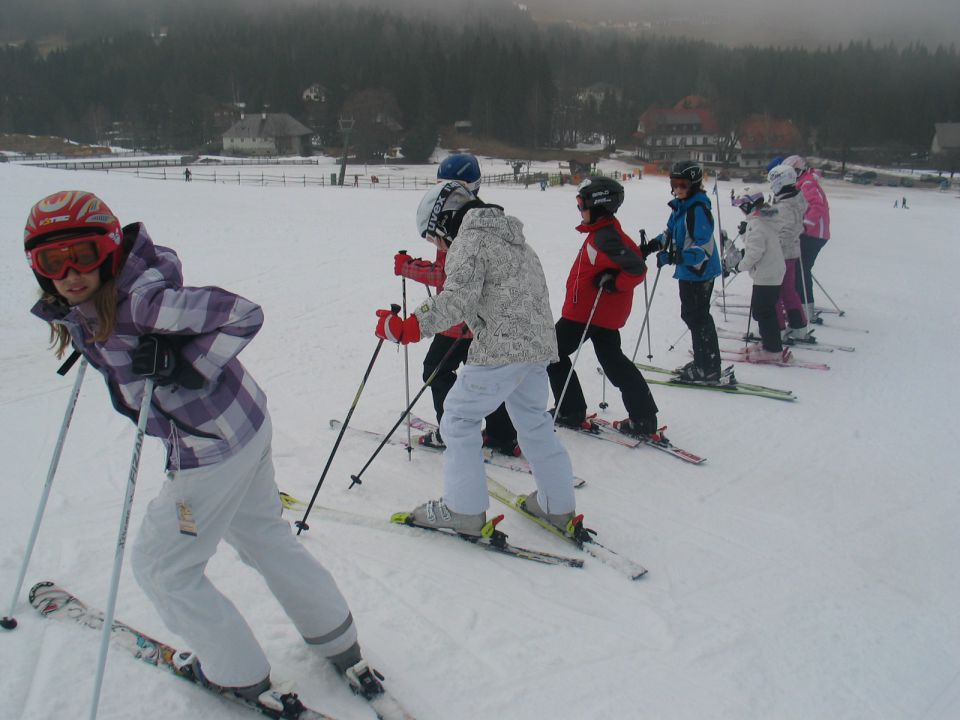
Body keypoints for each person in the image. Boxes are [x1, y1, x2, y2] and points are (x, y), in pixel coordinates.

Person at [23, 191, 383, 705]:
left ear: (107, 249)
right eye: (50, 262)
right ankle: (338, 640)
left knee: (162, 565)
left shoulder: (143, 301)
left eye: (81, 254)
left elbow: (242, 314)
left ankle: (236, 674)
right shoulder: (97, 301)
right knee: (262, 534)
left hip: (209, 449)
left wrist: (183, 363)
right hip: (244, 425)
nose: (69, 272)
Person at [374, 181, 579, 537]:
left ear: (445, 222)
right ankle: (556, 505)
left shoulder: (470, 240)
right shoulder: (516, 241)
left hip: (502, 347)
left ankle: (464, 509)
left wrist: (408, 327)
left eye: (435, 238)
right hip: (537, 348)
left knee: (458, 417)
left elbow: (457, 298)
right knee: (532, 421)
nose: (439, 247)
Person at [394, 154, 519, 456]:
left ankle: (453, 432)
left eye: (453, 186)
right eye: (442, 186)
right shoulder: (479, 217)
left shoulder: (459, 224)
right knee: (482, 377)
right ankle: (502, 435)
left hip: (457, 320)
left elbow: (446, 274)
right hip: (477, 320)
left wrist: (408, 267)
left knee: (435, 371)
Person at [545, 176, 660, 438]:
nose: (579, 210)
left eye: (581, 204)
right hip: (598, 314)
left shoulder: (606, 237)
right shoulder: (604, 233)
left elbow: (637, 269)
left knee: (550, 352)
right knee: (613, 361)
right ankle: (643, 417)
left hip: (586, 314)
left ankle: (571, 410)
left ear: (599, 206)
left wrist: (614, 284)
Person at [643, 161, 722, 382]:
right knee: (693, 316)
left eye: (683, 185)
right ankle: (703, 361)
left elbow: (702, 250)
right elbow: (669, 234)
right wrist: (650, 246)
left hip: (700, 272)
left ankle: (709, 367)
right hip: (689, 272)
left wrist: (674, 257)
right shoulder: (681, 207)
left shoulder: (697, 210)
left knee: (698, 318)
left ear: (694, 185)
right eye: (674, 184)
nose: (678, 189)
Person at [723, 190, 792, 363]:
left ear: (748, 205)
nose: (741, 211)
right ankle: (769, 342)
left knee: (763, 311)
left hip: (767, 274)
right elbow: (759, 242)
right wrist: (746, 233)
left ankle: (773, 350)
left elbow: (754, 253)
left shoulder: (758, 224)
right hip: (771, 272)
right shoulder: (765, 219)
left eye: (741, 207)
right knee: (763, 310)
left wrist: (739, 266)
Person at [782, 155, 830, 323]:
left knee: (800, 271)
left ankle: (804, 309)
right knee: (800, 269)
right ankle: (801, 306)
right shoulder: (803, 182)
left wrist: (803, 227)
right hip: (812, 233)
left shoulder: (807, 183)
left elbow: (817, 206)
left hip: (813, 234)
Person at [768, 164, 810, 340]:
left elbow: (784, 231)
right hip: (791, 253)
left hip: (782, 255)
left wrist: (770, 247)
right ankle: (798, 327)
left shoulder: (786, 205)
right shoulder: (792, 199)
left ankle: (776, 329)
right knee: (788, 290)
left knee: (774, 292)